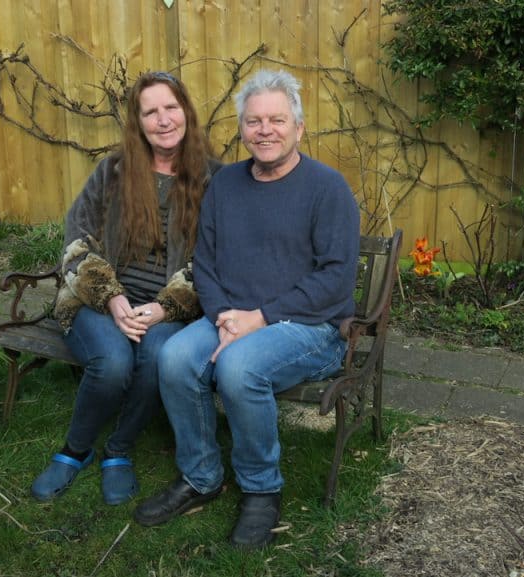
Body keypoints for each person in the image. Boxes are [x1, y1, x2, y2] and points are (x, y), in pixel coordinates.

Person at [133, 69, 361, 548]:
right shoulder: (227, 184)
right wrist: (223, 318)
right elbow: (206, 264)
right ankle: (201, 477)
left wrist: (257, 320)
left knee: (237, 370)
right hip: (231, 318)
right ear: (242, 129)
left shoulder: (328, 188)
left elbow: (335, 280)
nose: (265, 130)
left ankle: (261, 490)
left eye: (277, 120)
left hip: (309, 327)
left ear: (299, 128)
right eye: (254, 121)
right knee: (173, 357)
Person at [31, 71, 221, 506]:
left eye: (171, 107)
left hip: (170, 310)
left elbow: (216, 258)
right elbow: (77, 241)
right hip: (97, 303)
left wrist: (164, 307)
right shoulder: (112, 171)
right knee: (113, 361)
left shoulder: (215, 180)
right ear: (138, 122)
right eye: (150, 111)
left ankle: (118, 450)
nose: (163, 119)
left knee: (158, 354)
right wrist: (113, 299)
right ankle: (74, 450)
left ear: (186, 113)